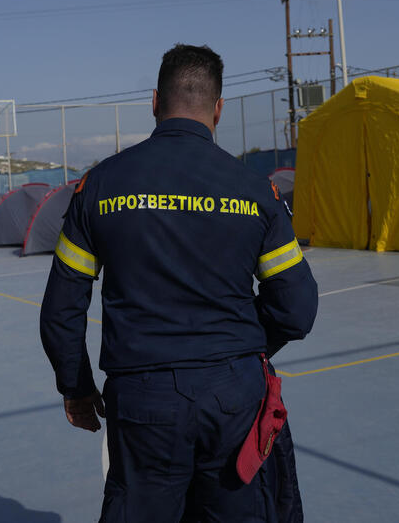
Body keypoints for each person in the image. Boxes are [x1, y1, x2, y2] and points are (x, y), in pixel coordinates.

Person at [40, 43, 318, 522]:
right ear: (219, 108)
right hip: (234, 396)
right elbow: (297, 309)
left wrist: (77, 387)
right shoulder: (256, 191)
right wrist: (238, 350)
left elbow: (61, 310)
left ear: (154, 102)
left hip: (142, 399)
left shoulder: (99, 186)